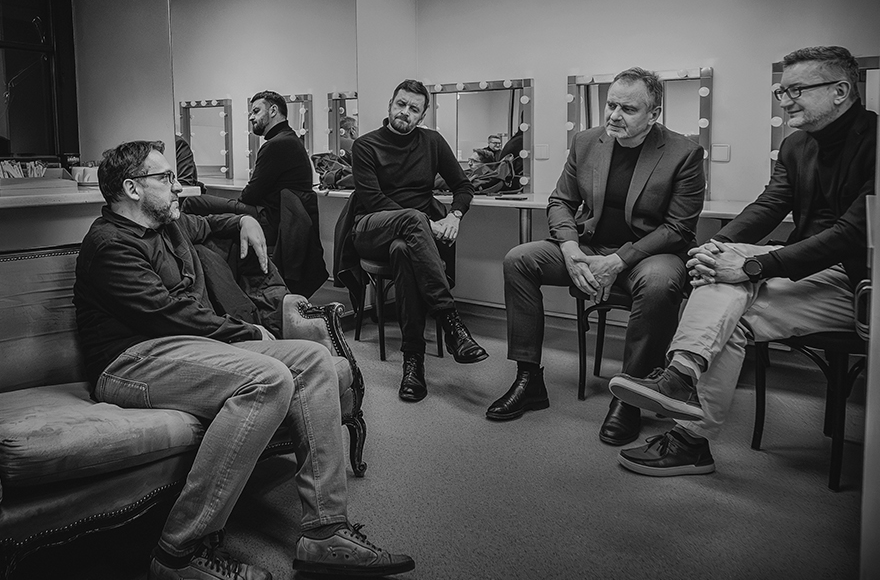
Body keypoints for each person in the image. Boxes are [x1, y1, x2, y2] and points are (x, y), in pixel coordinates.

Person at [74, 140, 414, 580]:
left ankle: (325, 533)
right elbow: (167, 315)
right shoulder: (109, 244)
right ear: (132, 189)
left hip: (187, 349)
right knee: (268, 377)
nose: (178, 187)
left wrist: (244, 220)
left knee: (313, 360)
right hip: (131, 361)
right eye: (165, 178)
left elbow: (213, 221)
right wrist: (248, 332)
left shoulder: (168, 224)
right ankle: (178, 552)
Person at [610, 46, 877, 477]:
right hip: (806, 275)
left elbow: (850, 235)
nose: (785, 101)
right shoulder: (796, 145)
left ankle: (684, 408)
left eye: (796, 90)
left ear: (840, 91)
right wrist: (716, 246)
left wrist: (753, 266)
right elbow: (769, 205)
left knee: (727, 297)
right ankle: (685, 400)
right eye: (781, 91)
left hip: (855, 285)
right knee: (725, 306)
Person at [489, 68, 705, 447]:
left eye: (628, 109)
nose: (614, 115)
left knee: (660, 283)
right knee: (519, 259)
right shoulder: (587, 141)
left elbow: (678, 228)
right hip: (589, 247)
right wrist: (570, 249)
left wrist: (619, 261)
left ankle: (632, 397)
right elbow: (561, 201)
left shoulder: (683, 153)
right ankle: (529, 379)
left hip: (649, 255)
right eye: (611, 105)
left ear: (653, 114)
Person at [335, 79, 487, 403]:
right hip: (371, 228)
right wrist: (429, 224)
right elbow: (373, 200)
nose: (405, 112)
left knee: (404, 250)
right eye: (401, 104)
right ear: (390, 105)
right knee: (414, 220)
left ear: (422, 115)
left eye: (414, 108)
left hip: (412, 235)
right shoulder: (365, 145)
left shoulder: (432, 142)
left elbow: (463, 186)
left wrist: (454, 216)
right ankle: (450, 322)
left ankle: (413, 363)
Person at [239, 90, 326, 295]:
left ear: (273, 110)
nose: (251, 117)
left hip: (276, 223)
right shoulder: (290, 139)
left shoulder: (276, 145)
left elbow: (250, 195)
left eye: (256, 111)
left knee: (213, 214)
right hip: (286, 222)